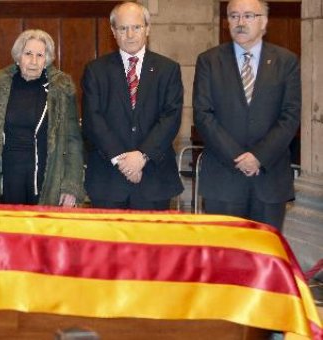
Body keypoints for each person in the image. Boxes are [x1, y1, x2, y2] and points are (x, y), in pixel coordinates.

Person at [193, 0, 300, 231]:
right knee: (224, 259)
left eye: (248, 16)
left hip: (269, 180)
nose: (240, 22)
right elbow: (203, 115)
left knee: (265, 257)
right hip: (223, 180)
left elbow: (290, 116)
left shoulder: (286, 61)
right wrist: (238, 156)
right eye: (233, 16)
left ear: (264, 21)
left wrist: (259, 156)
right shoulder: (209, 61)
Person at [81, 2, 183, 210]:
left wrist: (142, 155)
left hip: (154, 179)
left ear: (147, 28)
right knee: (107, 243)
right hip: (108, 181)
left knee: (151, 243)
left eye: (136, 27)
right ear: (113, 32)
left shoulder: (168, 69)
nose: (130, 34)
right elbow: (93, 120)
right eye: (122, 28)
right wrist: (122, 159)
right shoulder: (95, 70)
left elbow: (171, 118)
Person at [0, 29, 84, 207]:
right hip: (7, 178)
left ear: (47, 60)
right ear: (18, 56)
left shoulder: (61, 90)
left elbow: (73, 140)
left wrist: (71, 186)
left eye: (40, 55)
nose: (33, 61)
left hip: (47, 178)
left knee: (43, 232)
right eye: (28, 54)